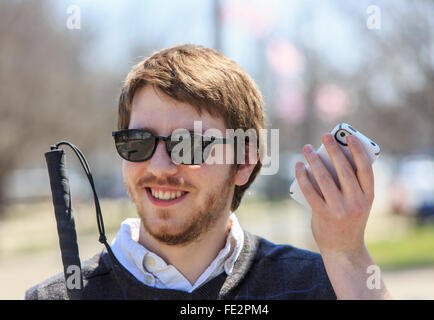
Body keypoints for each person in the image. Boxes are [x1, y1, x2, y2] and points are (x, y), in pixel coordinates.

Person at [25, 44, 390, 300]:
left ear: (244, 162)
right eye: (138, 142)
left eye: (189, 145)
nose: (159, 167)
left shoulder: (320, 286)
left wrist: (347, 253)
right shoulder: (56, 297)